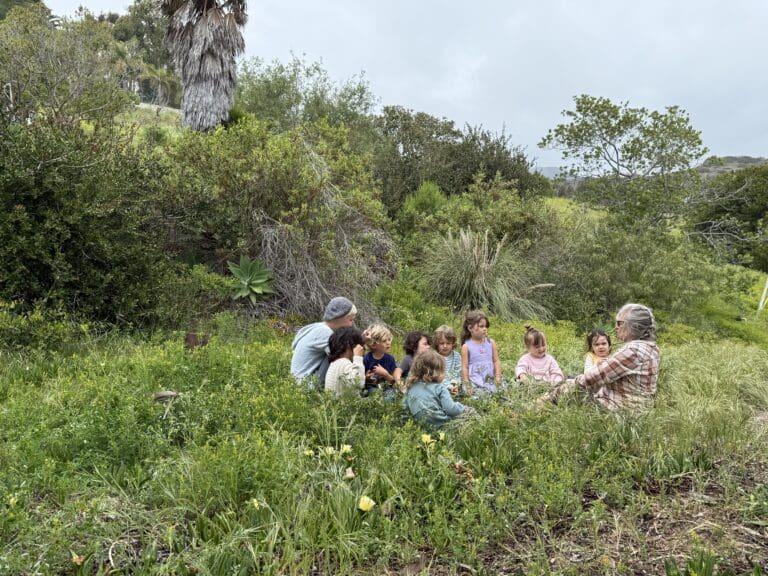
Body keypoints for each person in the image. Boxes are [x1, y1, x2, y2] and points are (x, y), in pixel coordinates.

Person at [549, 303, 660, 410]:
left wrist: (571, 382)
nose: (616, 327)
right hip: (637, 408)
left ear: (634, 325)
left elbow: (593, 378)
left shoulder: (633, 350)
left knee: (567, 387)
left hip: (619, 410)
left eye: (619, 323)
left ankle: (537, 409)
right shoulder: (651, 348)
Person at [290, 296, 357, 385]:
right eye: (350, 320)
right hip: (305, 386)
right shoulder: (325, 333)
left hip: (296, 383)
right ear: (340, 317)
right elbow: (345, 357)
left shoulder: (317, 327)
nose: (351, 324)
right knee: (338, 356)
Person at [404, 349, 474, 429]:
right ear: (436, 372)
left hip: (422, 426)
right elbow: (451, 409)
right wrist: (461, 407)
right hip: (444, 425)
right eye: (443, 371)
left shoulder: (411, 387)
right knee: (471, 412)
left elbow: (404, 406)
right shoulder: (439, 388)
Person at [460, 311, 502, 394]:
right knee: (474, 393)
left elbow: (496, 361)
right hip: (475, 379)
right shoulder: (466, 346)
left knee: (498, 390)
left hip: (490, 378)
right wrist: (467, 384)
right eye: (481, 326)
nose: (485, 329)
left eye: (486, 326)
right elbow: (465, 367)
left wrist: (498, 376)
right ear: (470, 328)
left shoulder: (491, 343)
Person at [324, 327, 366, 396]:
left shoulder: (335, 363)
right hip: (344, 405)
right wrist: (358, 357)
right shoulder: (344, 363)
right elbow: (358, 383)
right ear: (349, 345)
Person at [362, 324, 398, 395]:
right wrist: (366, 378)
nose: (388, 343)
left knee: (392, 394)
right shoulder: (367, 359)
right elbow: (360, 378)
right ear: (374, 345)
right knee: (373, 392)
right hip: (371, 387)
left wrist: (385, 374)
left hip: (387, 387)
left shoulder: (390, 359)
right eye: (384, 341)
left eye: (389, 339)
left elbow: (393, 381)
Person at [433, 325, 462, 391]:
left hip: (454, 384)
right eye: (442, 343)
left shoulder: (456, 356)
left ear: (453, 343)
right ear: (437, 344)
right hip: (439, 385)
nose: (445, 346)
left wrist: (454, 385)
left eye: (448, 343)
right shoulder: (434, 357)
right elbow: (435, 375)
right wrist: (447, 386)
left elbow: (459, 373)